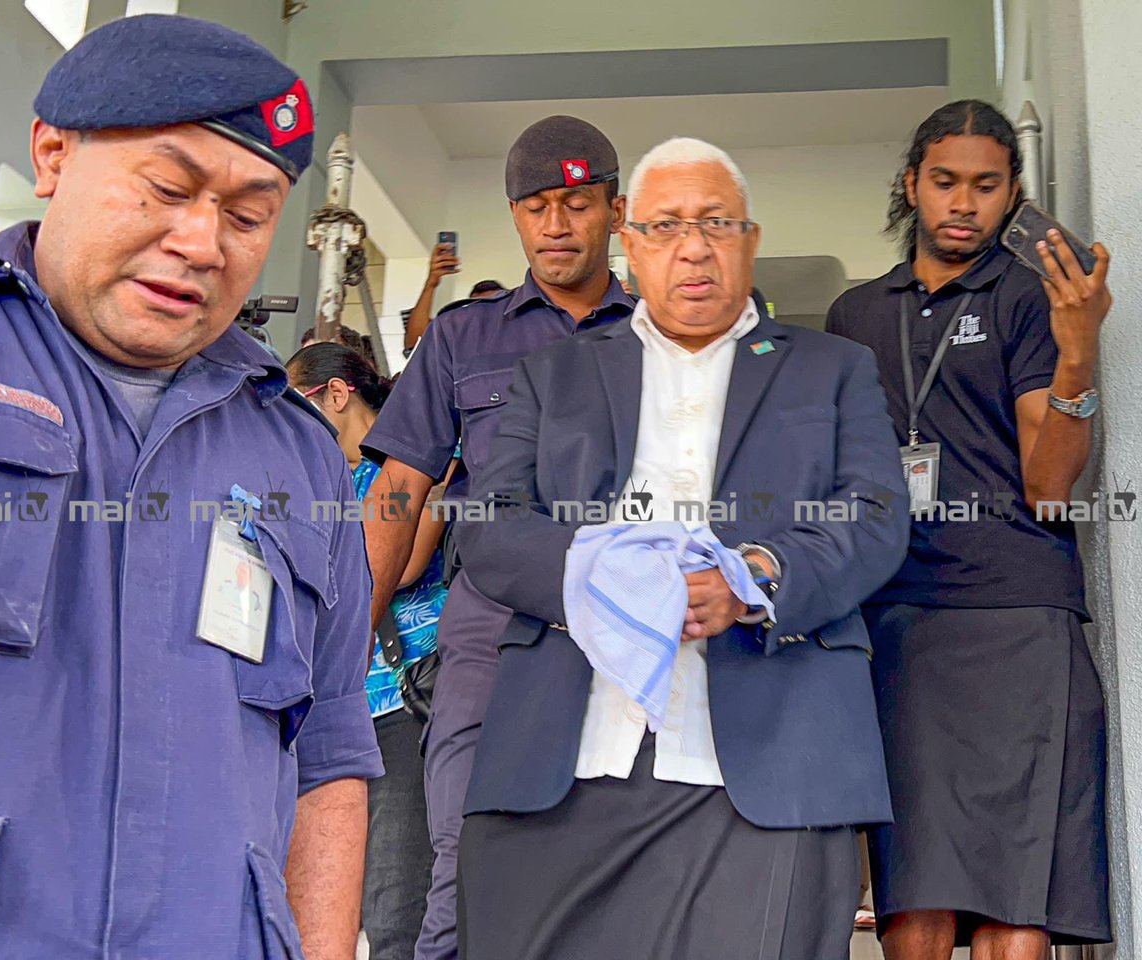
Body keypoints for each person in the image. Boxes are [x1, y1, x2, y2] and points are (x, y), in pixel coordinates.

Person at [0, 15, 381, 959]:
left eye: (248, 214)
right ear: (53, 154)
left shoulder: (301, 457)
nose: (202, 241)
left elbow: (331, 756)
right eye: (168, 187)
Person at [451, 136, 910, 960]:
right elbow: (489, 521)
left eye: (715, 223)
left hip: (774, 753)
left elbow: (876, 514)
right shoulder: (555, 374)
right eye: (666, 226)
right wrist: (605, 575)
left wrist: (755, 579)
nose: (693, 246)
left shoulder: (834, 369)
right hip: (570, 751)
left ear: (751, 239)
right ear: (632, 243)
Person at [826, 99, 1113, 959]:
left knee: (1016, 900)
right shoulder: (853, 316)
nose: (963, 203)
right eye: (945, 182)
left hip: (1019, 612)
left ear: (1012, 193)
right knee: (915, 892)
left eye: (986, 187)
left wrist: (1077, 350)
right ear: (911, 184)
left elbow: (1052, 487)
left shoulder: (1030, 299)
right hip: (900, 620)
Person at [359, 115, 636, 960]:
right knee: (469, 851)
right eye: (537, 205)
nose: (556, 224)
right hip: (491, 623)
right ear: (514, 215)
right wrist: (346, 647)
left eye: (578, 204)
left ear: (615, 211)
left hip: (632, 617)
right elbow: (399, 491)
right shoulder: (461, 338)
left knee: (616, 864)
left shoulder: (665, 327)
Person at [287, 342, 450, 960]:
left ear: (336, 394)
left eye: (297, 406)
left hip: (406, 702)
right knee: (324, 911)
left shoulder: (422, 461)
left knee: (394, 910)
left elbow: (399, 566)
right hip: (338, 709)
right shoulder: (316, 482)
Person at [401, 235, 505, 355]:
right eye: (478, 308)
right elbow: (415, 347)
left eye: (492, 308)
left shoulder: (518, 337)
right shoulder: (460, 343)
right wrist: (431, 284)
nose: (484, 316)